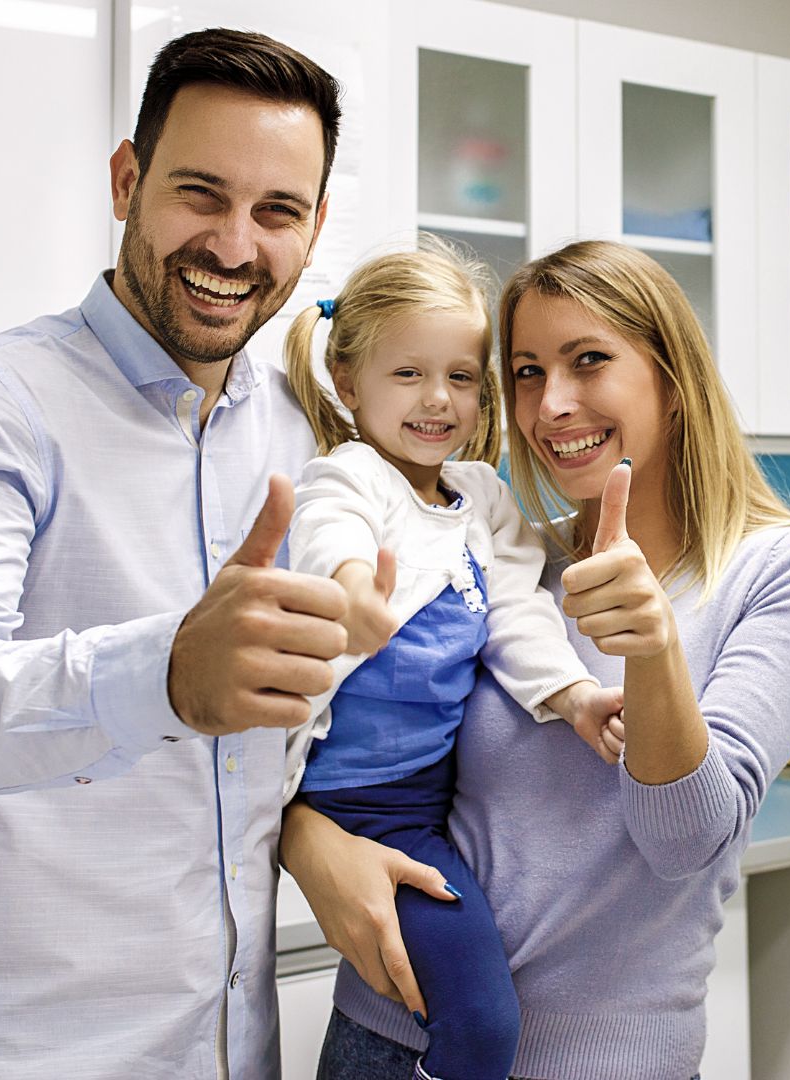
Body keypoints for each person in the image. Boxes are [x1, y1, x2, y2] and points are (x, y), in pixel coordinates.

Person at [0, 27, 443, 1080]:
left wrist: (311, 827)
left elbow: (280, 741)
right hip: (8, 1056)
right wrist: (166, 675)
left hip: (223, 1052)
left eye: (275, 212)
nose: (232, 246)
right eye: (199, 194)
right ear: (127, 180)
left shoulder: (307, 442)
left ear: (313, 229)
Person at [280, 239, 790, 1080]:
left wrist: (653, 649)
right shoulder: (499, 555)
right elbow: (378, 757)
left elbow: (683, 842)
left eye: (588, 361)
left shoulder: (788, 571)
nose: (551, 404)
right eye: (523, 371)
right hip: (382, 1034)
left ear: (672, 372)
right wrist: (303, 835)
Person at [281, 243, 626, 1080]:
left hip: (425, 809)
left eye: (464, 377)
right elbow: (333, 533)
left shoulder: (482, 498)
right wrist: (353, 592)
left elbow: (517, 609)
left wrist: (576, 694)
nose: (439, 401)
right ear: (346, 375)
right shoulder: (350, 475)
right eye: (408, 374)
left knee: (476, 1019)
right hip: (352, 809)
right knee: (481, 1024)